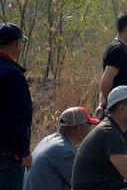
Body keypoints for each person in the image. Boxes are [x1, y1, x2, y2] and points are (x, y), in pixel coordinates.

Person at [23, 106, 99, 190]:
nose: (90, 129)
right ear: (77, 128)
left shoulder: (49, 140)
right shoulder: (64, 151)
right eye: (89, 125)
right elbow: (84, 183)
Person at [0, 23, 32, 190]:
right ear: (16, 43)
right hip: (8, 156)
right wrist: (24, 151)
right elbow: (19, 117)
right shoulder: (13, 75)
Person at [97, 13, 127, 119]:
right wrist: (108, 105)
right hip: (120, 110)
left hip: (126, 108)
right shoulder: (117, 49)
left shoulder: (123, 49)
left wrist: (102, 103)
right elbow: (106, 81)